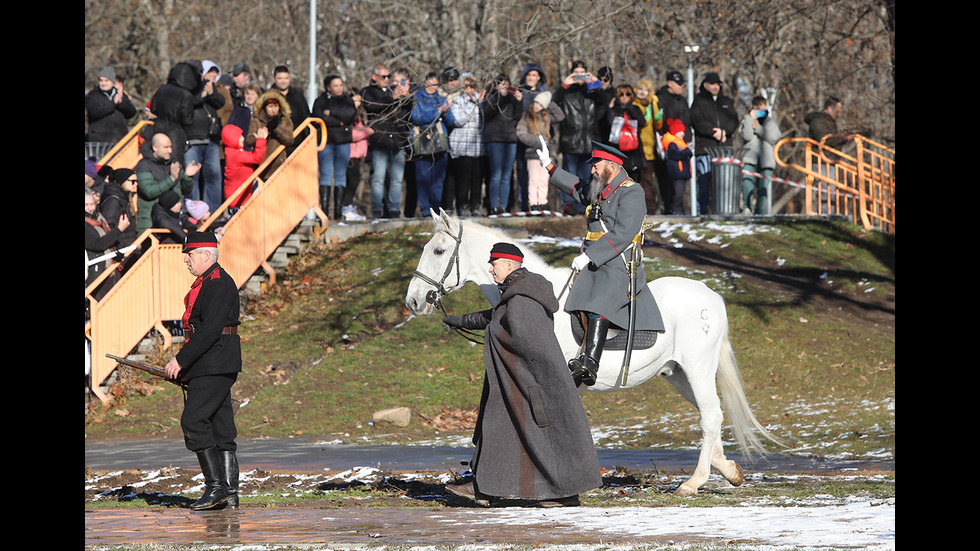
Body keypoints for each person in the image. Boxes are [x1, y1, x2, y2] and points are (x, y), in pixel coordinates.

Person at [443, 243, 602, 507]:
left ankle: (562, 493)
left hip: (530, 385)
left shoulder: (522, 301)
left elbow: (529, 343)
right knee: (497, 429)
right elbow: (495, 318)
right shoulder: (516, 294)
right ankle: (484, 487)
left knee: (531, 437)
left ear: (508, 265)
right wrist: (460, 321)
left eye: (494, 264)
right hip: (516, 382)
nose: (490, 269)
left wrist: (537, 386)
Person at [535, 139, 665, 386]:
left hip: (620, 261)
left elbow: (623, 233)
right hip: (595, 257)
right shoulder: (600, 188)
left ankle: (590, 363)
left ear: (612, 166)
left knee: (600, 294)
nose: (592, 170)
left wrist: (590, 256)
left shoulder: (631, 191)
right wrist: (549, 166)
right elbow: (577, 188)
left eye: (596, 165)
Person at [164, 231, 243, 511]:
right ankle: (230, 494)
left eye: (190, 254)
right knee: (222, 429)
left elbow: (209, 330)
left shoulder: (219, 284)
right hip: (212, 361)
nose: (186, 259)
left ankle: (216, 487)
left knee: (194, 421)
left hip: (215, 360)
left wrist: (180, 360)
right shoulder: (207, 282)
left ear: (206, 255)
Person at [552, 60, 603, 215]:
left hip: (589, 142)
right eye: (577, 73)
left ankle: (583, 206)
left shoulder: (592, 91)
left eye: (583, 73)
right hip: (571, 141)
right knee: (569, 176)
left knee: (587, 177)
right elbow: (553, 102)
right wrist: (565, 84)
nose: (580, 76)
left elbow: (606, 102)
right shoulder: (566, 91)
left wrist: (596, 83)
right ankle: (568, 205)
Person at [363, 65, 411, 219]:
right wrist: (392, 98)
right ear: (374, 76)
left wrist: (406, 96)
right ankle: (377, 210)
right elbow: (372, 107)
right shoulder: (368, 92)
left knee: (397, 179)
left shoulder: (396, 91)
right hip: (380, 141)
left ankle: (394, 209)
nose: (387, 80)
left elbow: (407, 113)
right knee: (378, 178)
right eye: (383, 77)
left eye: (388, 76)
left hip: (398, 140)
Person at [690, 72, 738, 215]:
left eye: (717, 84)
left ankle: (724, 212)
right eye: (712, 84)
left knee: (724, 182)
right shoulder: (698, 101)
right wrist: (713, 132)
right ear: (705, 85)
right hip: (705, 149)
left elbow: (734, 120)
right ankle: (703, 213)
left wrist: (725, 132)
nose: (715, 87)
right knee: (704, 182)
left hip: (724, 149)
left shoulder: (727, 101)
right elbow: (696, 120)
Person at [410, 71, 456, 217]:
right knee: (422, 178)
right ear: (424, 83)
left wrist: (447, 112)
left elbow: (451, 122)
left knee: (438, 180)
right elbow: (416, 117)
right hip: (422, 144)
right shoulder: (416, 98)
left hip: (440, 144)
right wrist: (436, 114)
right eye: (429, 83)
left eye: (434, 84)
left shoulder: (442, 99)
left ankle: (437, 209)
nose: (431, 87)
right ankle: (425, 210)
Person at [134, 132, 200, 234]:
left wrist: (188, 177)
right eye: (166, 147)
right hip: (151, 223)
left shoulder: (173, 163)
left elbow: (184, 190)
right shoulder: (144, 165)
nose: (170, 150)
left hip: (175, 221)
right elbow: (149, 191)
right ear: (155, 147)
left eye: (170, 147)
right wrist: (171, 179)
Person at [312, 75, 358, 219]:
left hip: (343, 142)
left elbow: (350, 115)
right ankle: (324, 213)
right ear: (328, 87)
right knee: (325, 176)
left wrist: (331, 113)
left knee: (340, 176)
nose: (339, 88)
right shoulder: (320, 101)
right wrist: (339, 122)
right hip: (326, 142)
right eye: (335, 85)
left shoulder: (347, 101)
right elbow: (318, 118)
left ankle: (338, 213)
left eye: (340, 85)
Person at [184, 60, 226, 214]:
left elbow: (221, 102)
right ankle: (193, 212)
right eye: (210, 72)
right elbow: (189, 102)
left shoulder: (213, 90)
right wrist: (203, 93)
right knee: (192, 177)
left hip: (211, 141)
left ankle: (213, 212)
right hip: (192, 141)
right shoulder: (190, 87)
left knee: (214, 176)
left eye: (216, 73)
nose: (213, 76)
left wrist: (211, 93)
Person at [480, 74, 523, 215]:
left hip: (510, 139)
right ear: (496, 86)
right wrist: (502, 97)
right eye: (501, 84)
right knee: (496, 175)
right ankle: (493, 206)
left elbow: (517, 116)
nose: (504, 87)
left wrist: (518, 101)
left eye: (507, 84)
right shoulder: (490, 97)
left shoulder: (511, 99)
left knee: (507, 175)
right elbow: (487, 112)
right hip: (495, 139)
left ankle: (503, 207)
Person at [515, 91, 564, 211]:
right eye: (536, 103)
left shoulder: (546, 116)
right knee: (533, 180)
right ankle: (533, 204)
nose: (537, 106)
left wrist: (549, 102)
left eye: (541, 104)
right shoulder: (526, 116)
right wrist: (537, 142)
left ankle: (542, 203)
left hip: (547, 154)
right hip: (533, 153)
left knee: (543, 180)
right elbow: (520, 133)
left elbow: (560, 116)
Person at [654, 70, 691, 214]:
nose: (682, 86)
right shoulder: (660, 98)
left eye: (683, 83)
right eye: (679, 83)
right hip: (667, 145)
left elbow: (687, 121)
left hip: (682, 145)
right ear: (670, 83)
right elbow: (659, 122)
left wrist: (688, 139)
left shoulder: (682, 100)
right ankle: (667, 209)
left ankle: (678, 208)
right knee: (666, 179)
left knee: (680, 182)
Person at [448, 75, 485, 217]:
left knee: (477, 179)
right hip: (462, 147)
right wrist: (472, 104)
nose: (469, 89)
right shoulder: (457, 101)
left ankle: (475, 206)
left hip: (479, 147)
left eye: (472, 86)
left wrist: (481, 103)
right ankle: (462, 206)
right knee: (463, 179)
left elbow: (486, 118)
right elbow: (458, 120)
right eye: (466, 86)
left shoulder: (481, 100)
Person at [150, 62, 200, 165]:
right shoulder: (186, 95)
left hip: (158, 130)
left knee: (157, 163)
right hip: (176, 135)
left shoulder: (162, 89)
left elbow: (153, 108)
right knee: (174, 165)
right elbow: (187, 120)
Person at [515, 63, 550, 212]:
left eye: (534, 75)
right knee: (523, 175)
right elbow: (516, 116)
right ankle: (524, 205)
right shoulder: (520, 92)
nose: (531, 78)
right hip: (522, 139)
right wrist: (517, 101)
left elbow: (552, 116)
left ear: (539, 78)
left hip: (541, 144)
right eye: (529, 75)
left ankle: (539, 204)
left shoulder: (543, 93)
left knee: (540, 178)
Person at [738, 96, 780, 215]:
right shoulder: (746, 119)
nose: (757, 108)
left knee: (763, 188)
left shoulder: (770, 122)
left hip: (765, 160)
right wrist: (750, 120)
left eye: (760, 105)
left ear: (765, 107)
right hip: (749, 158)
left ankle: (760, 212)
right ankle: (747, 208)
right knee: (747, 183)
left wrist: (758, 129)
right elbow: (746, 136)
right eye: (755, 106)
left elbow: (774, 137)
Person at [85, 188, 130, 297]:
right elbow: (97, 244)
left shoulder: (99, 218)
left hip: (107, 271)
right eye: (86, 205)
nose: (90, 208)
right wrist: (119, 229)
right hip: (94, 274)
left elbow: (108, 242)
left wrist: (116, 254)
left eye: (92, 204)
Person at [245, 90, 294, 180]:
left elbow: (290, 140)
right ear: (264, 107)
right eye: (270, 106)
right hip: (261, 165)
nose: (273, 110)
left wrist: (275, 128)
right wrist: (261, 136)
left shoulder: (285, 121)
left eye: (276, 106)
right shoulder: (256, 120)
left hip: (279, 165)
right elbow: (249, 140)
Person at [633, 78, 664, 214]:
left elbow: (658, 125)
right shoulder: (633, 104)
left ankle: (650, 211)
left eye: (645, 90)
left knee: (648, 182)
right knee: (634, 181)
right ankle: (635, 211)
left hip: (649, 149)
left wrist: (658, 117)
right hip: (634, 148)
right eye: (640, 89)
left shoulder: (652, 104)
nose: (642, 92)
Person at [605, 83, 647, 184]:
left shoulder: (635, 109)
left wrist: (630, 108)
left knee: (636, 181)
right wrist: (610, 109)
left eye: (627, 94)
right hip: (619, 150)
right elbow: (610, 123)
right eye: (621, 94)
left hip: (634, 151)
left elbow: (643, 122)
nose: (624, 97)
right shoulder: (614, 110)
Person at [85, 66, 138, 144]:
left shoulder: (121, 94)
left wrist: (120, 102)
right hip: (99, 142)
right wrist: (113, 103)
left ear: (113, 81)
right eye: (101, 80)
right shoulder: (92, 95)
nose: (103, 83)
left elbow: (131, 112)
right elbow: (94, 112)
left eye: (106, 81)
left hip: (120, 139)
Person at [221, 123, 268, 209]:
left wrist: (256, 140)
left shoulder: (232, 152)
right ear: (233, 138)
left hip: (238, 196)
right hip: (238, 199)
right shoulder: (235, 154)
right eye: (240, 136)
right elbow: (256, 157)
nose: (243, 138)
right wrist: (261, 139)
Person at [270, 65, 312, 149]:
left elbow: (306, 117)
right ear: (274, 78)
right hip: (276, 145)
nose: (283, 81)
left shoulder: (298, 96)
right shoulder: (268, 96)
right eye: (280, 78)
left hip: (298, 144)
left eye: (286, 78)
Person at [99, 168, 139, 248]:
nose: (136, 184)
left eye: (137, 182)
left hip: (127, 248)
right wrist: (119, 248)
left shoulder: (125, 199)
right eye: (133, 181)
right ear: (122, 181)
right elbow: (107, 228)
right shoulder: (113, 201)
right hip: (120, 250)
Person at [662, 119, 693, 215]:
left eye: (683, 131)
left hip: (681, 172)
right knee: (678, 193)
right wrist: (687, 152)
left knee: (680, 193)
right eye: (679, 131)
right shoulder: (672, 143)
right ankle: (675, 210)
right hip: (677, 172)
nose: (682, 134)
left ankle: (679, 209)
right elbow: (675, 155)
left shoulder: (679, 142)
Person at [226, 62, 255, 133]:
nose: (234, 78)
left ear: (247, 76)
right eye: (233, 75)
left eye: (236, 75)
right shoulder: (232, 92)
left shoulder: (259, 91)